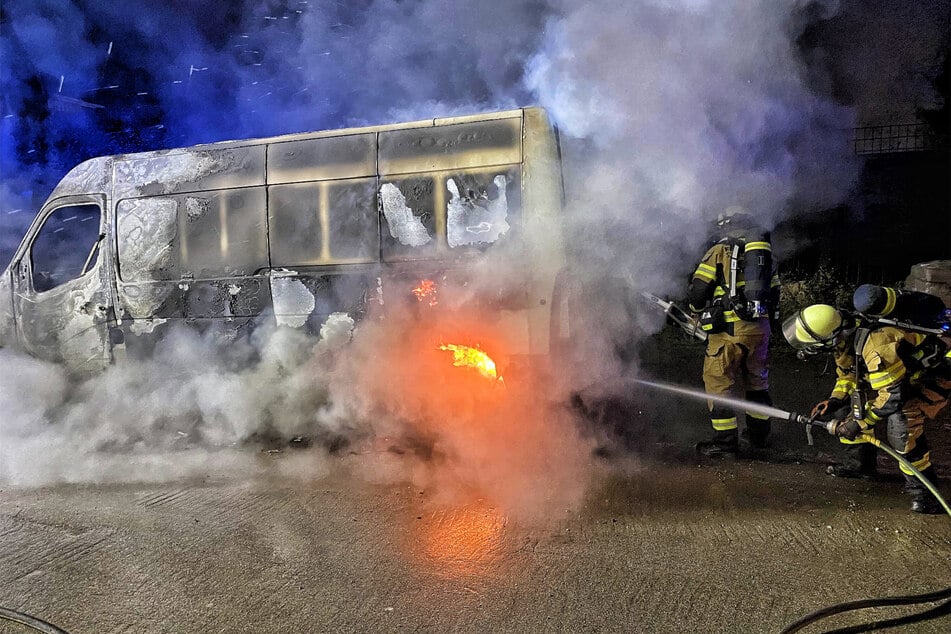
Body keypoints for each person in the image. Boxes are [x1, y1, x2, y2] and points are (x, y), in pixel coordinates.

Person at [783, 303, 951, 514]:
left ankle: (926, 496)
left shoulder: (875, 345)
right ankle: (859, 465)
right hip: (898, 381)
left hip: (927, 378)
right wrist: (835, 400)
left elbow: (892, 397)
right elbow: (848, 376)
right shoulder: (844, 339)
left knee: (902, 429)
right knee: (845, 409)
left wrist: (859, 423)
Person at [686, 207, 780, 458]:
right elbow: (775, 295)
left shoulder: (720, 251)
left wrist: (696, 309)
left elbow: (698, 292)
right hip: (760, 330)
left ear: (725, 226)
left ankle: (726, 443)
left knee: (718, 384)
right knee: (757, 383)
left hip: (729, 332)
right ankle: (760, 437)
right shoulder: (764, 258)